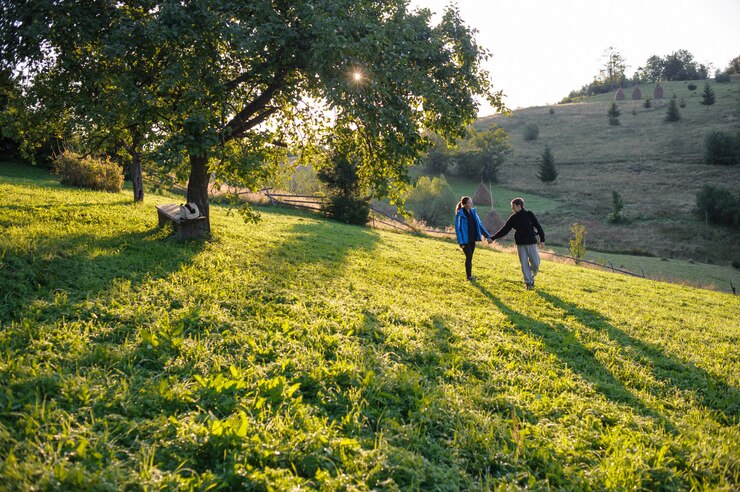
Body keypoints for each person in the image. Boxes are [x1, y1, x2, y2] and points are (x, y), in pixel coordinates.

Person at [488, 197, 545, 290]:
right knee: (524, 264)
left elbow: (538, 226)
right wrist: (493, 238)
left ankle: (530, 274)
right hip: (520, 244)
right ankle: (528, 283)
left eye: (513, 206)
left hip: (531, 243)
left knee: (536, 263)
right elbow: (504, 230)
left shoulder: (529, 214)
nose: (512, 208)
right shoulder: (513, 218)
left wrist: (542, 240)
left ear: (519, 206)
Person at [455, 196, 491, 281]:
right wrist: (461, 242)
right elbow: (458, 229)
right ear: (464, 204)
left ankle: (469, 275)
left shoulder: (474, 213)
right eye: (469, 202)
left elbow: (480, 225)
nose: (471, 204)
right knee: (469, 256)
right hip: (465, 240)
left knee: (470, 257)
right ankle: (469, 276)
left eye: (471, 202)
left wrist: (487, 236)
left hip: (472, 239)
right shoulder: (459, 214)